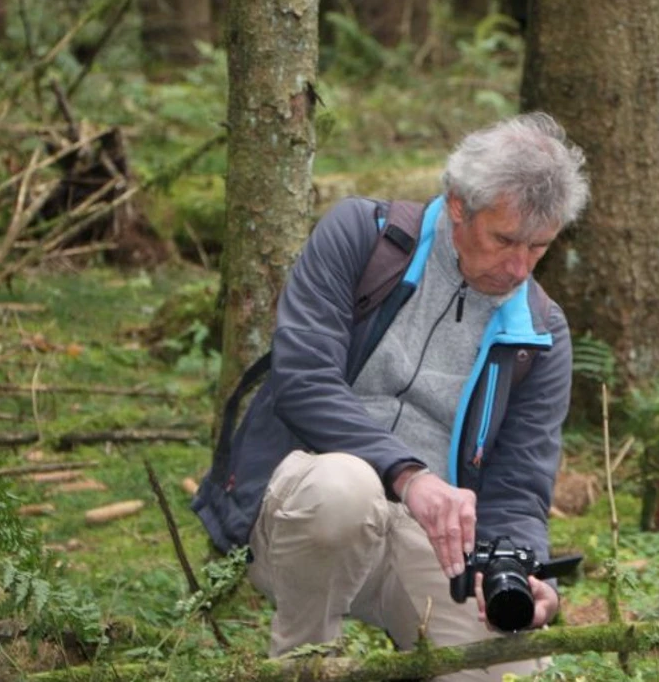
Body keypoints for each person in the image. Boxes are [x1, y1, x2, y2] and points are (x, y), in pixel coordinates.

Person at [193, 112, 588, 680]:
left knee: (513, 671)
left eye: (538, 247)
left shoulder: (541, 331)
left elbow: (519, 484)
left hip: (430, 541)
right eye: (504, 240)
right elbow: (303, 380)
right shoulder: (362, 237)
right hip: (302, 517)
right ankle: (303, 664)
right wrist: (408, 475)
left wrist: (530, 576)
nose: (518, 267)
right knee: (345, 488)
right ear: (458, 205)